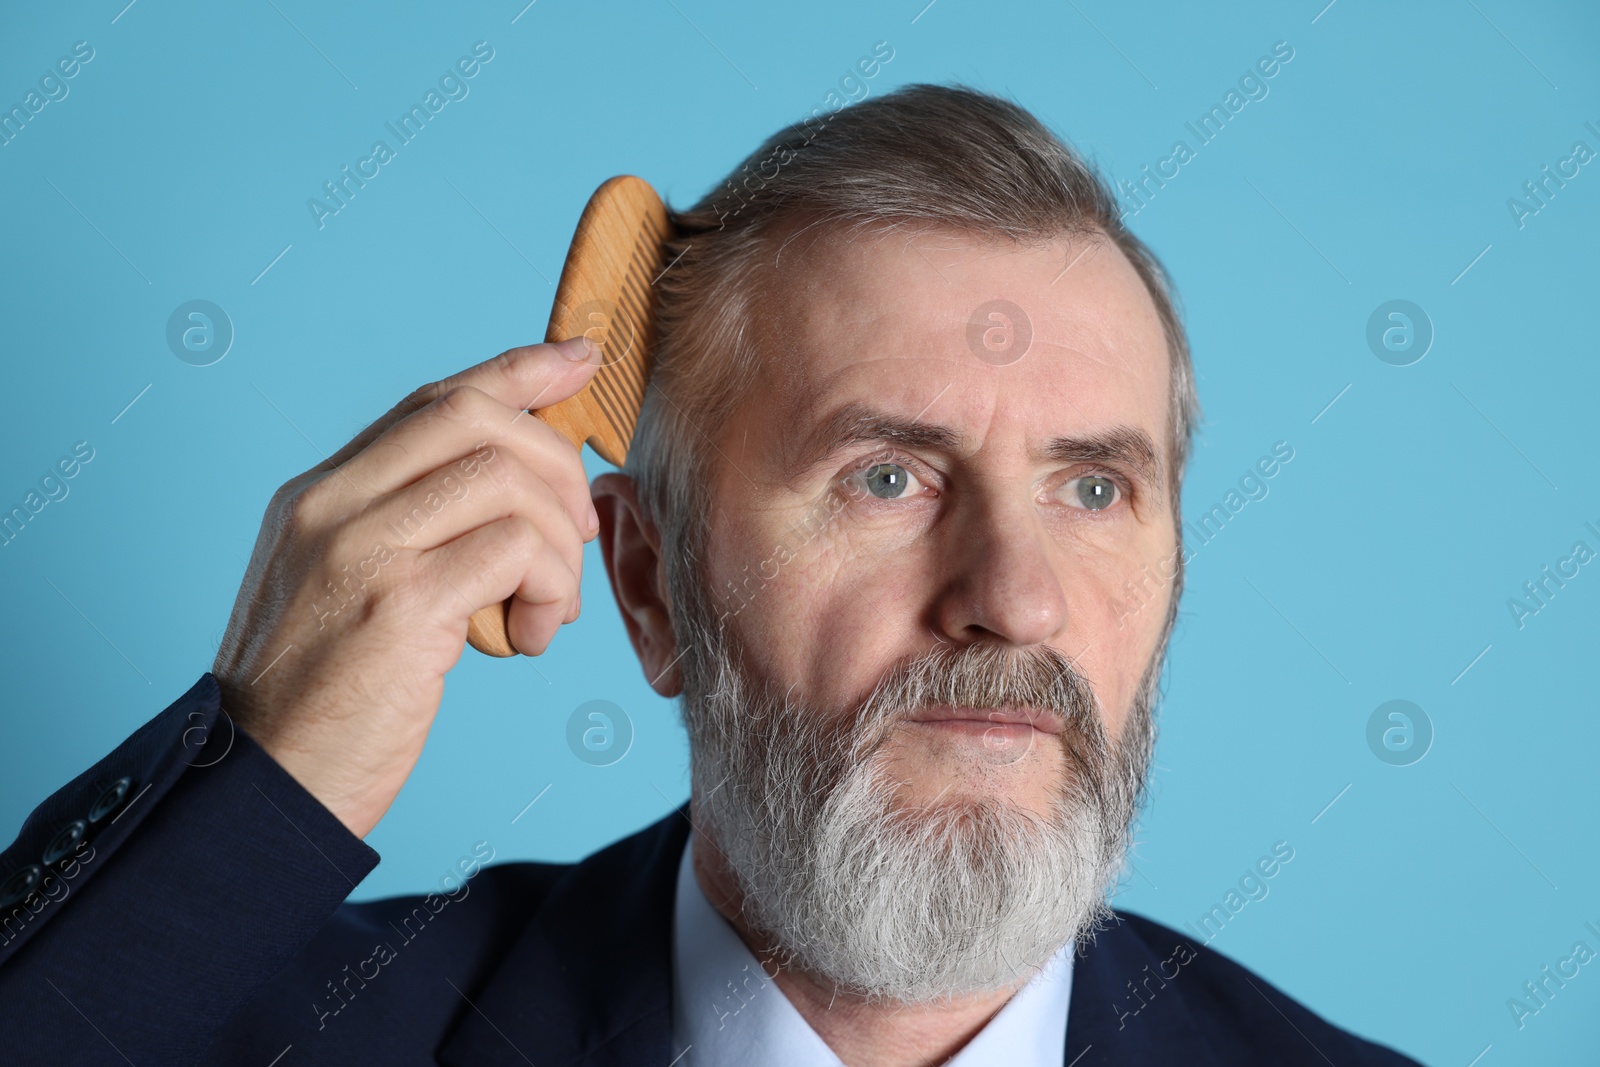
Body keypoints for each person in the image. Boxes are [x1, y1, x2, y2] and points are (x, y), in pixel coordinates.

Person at [0, 83, 1423, 1066]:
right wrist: (262, 787)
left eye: (1093, 487)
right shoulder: (277, 1035)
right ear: (647, 583)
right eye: (887, 477)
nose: (1018, 597)